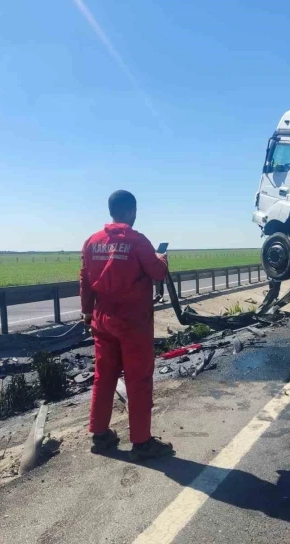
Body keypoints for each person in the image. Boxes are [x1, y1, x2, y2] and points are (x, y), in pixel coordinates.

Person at [80, 190, 174, 460]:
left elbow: (85, 280)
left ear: (111, 211)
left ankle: (100, 436)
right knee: (138, 378)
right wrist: (162, 258)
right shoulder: (137, 240)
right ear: (132, 211)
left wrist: (87, 313)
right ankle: (142, 443)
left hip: (102, 319)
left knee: (104, 375)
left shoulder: (91, 242)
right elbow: (157, 272)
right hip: (133, 322)